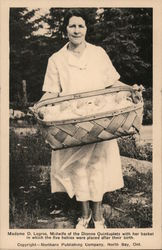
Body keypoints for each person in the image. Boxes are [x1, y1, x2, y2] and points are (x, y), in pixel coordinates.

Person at [41, 9, 124, 229]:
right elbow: (51, 92)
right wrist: (39, 106)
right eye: (72, 26)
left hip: (99, 119)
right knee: (78, 167)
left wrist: (130, 89)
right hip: (72, 123)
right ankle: (84, 215)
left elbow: (112, 82)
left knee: (97, 165)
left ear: (86, 29)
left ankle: (98, 217)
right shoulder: (56, 59)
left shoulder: (98, 53)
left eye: (80, 26)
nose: (76, 30)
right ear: (65, 29)